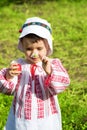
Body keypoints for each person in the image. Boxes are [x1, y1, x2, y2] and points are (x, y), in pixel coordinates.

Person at [0, 17, 70, 130]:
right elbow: (7, 90)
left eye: (39, 48)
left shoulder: (52, 64)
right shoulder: (18, 65)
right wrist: (9, 76)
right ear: (22, 46)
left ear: (47, 46)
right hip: (22, 118)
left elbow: (62, 85)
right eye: (29, 48)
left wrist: (49, 72)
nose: (34, 53)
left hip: (46, 117)